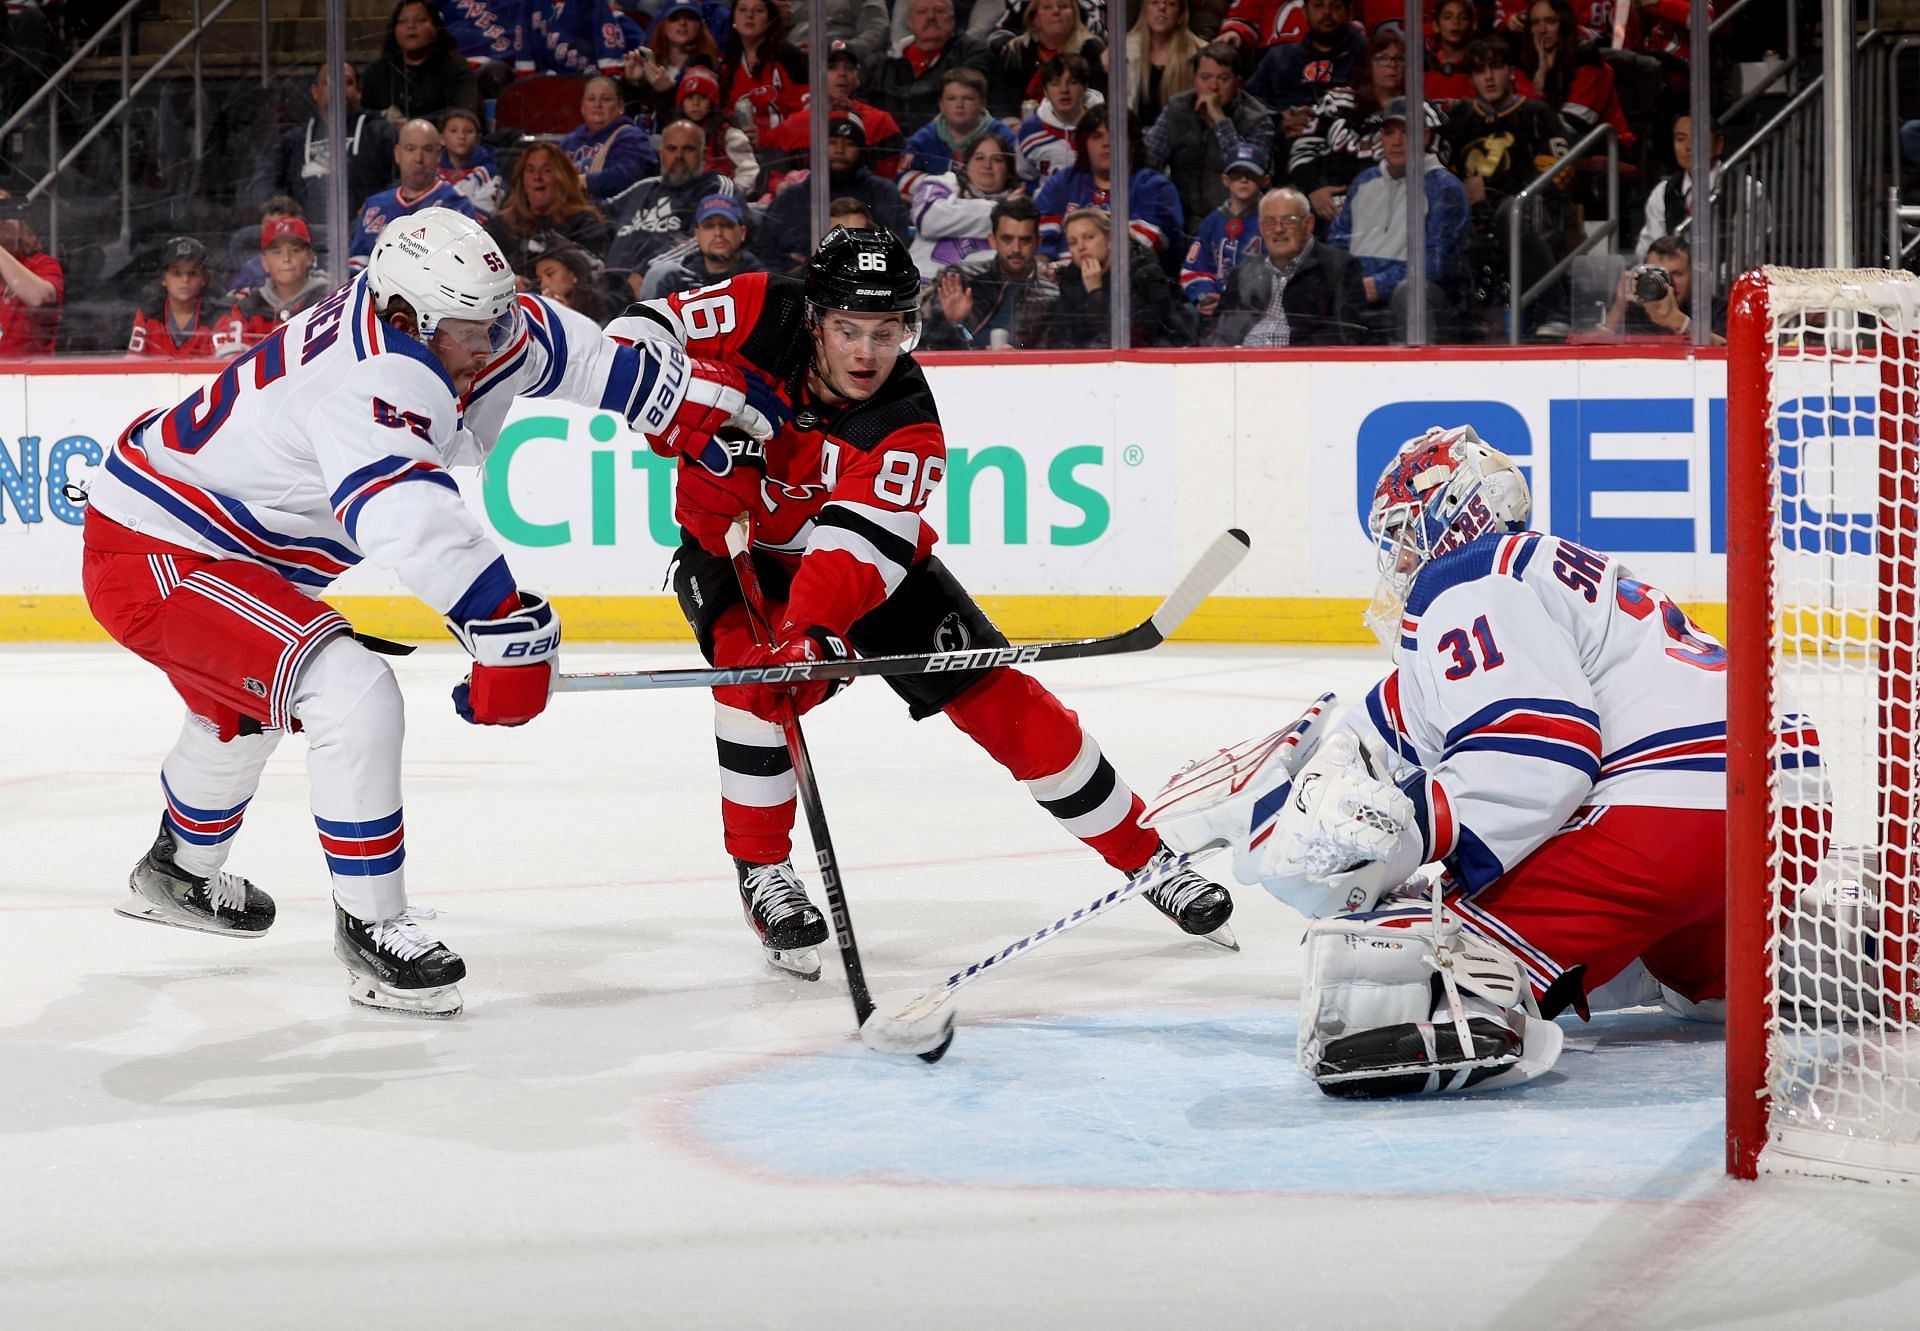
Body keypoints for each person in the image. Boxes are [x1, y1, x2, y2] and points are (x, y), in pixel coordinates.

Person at [80, 207, 772, 1018]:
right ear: (407, 317)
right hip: (155, 549)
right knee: (346, 686)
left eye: (496, 316)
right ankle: (373, 930)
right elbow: (405, 511)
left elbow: (569, 353)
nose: (490, 343)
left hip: (226, 547)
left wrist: (672, 400)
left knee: (245, 707)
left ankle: (177, 872)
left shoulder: (463, 320)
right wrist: (498, 618)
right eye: (470, 329)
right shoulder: (375, 373)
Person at [604, 227, 1235, 975]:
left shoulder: (905, 423)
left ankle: (1149, 859)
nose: (867, 353)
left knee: (1004, 700)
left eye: (886, 332)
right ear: (815, 320)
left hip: (857, 569)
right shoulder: (759, 307)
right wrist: (679, 406)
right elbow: (633, 333)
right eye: (848, 330)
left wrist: (812, 631)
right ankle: (764, 873)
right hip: (733, 556)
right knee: (750, 683)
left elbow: (853, 551)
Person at [1149, 424, 1823, 1097]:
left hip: (1674, 820)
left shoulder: (1466, 579)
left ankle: (1474, 1005)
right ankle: (1814, 956)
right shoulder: (1526, 577)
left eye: (1407, 535)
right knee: (1696, 979)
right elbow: (1384, 736)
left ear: (1455, 517)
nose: (1401, 559)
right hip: (1782, 812)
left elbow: (1538, 758)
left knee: (1391, 948)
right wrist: (1267, 801)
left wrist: (1402, 830)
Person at [1445, 37, 1572, 337]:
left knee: (1509, 213)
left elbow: (1558, 176)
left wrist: (1491, 193)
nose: (1488, 77)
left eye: (1496, 67)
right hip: (1471, 220)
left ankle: (1555, 310)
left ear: (1511, 71)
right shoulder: (1458, 119)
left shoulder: (1537, 115)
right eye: (1479, 70)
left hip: (1527, 218)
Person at [1328, 98, 1469, 340]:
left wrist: (1379, 284)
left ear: (1424, 136)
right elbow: (1338, 243)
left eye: (1407, 132)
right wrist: (1351, 282)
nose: (1396, 141)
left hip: (1426, 297)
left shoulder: (1444, 187)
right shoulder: (1364, 182)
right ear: (1381, 136)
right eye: (1389, 132)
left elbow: (1438, 263)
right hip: (1361, 292)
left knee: (1410, 291)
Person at [1290, 28, 1446, 228]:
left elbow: (1435, 165)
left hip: (1395, 210)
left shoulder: (1422, 111)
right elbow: (1302, 149)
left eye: (1399, 58)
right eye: (1382, 58)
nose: (1392, 64)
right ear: (1368, 64)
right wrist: (1313, 190)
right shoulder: (1338, 102)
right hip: (1330, 206)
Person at [1143, 42, 1274, 236]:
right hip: (1178, 225)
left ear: (1238, 83)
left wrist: (1221, 121)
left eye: (1223, 79)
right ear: (1194, 79)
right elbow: (1148, 160)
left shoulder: (1259, 121)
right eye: (1206, 78)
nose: (1213, 87)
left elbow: (1248, 174)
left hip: (1236, 229)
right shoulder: (1177, 109)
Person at [1208, 186, 1364, 345]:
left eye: (1289, 220)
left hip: (1302, 365)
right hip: (1239, 364)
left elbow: (1345, 335)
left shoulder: (1339, 267)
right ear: (1261, 228)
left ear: (1308, 224)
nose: (1278, 229)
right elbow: (1218, 332)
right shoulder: (1243, 272)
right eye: (1269, 222)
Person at [1034, 103, 1185, 265]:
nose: (1107, 143)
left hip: (1130, 283)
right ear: (1084, 144)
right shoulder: (1064, 181)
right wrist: (1042, 268)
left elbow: (1144, 245)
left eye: (1115, 135)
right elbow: (1036, 239)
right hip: (1057, 282)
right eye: (1097, 136)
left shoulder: (1155, 188)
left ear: (1132, 142)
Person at [605, 119, 739, 297]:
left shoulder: (714, 187)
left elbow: (706, 239)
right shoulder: (644, 188)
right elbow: (598, 217)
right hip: (609, 280)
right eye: (671, 149)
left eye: (688, 149)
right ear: (661, 153)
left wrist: (645, 269)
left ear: (703, 154)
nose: (678, 156)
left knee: (659, 274)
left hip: (659, 282)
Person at [761, 111, 911, 268]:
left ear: (862, 152)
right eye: (832, 142)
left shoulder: (883, 193)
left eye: (849, 144)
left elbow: (897, 252)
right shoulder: (791, 198)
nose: (840, 150)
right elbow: (765, 252)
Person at [250, 64, 399, 217]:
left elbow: (403, 179)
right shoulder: (294, 140)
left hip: (365, 229)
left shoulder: (381, 133)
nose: (338, 89)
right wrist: (282, 210)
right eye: (330, 82)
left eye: (347, 83)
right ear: (315, 92)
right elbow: (263, 181)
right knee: (243, 238)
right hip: (303, 233)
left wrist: (378, 205)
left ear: (358, 92)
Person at [1042, 206, 1195, 348]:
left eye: (1089, 237)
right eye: (1073, 242)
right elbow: (1059, 339)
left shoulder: (1143, 274)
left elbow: (1131, 338)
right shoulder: (1071, 279)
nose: (1081, 247)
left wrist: (1095, 292)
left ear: (1110, 240)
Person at [920, 196, 1059, 349]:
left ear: (1038, 242)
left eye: (1025, 240)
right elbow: (922, 341)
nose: (1016, 249)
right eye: (1007, 239)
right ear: (993, 240)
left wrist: (1020, 360)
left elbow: (1054, 359)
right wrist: (951, 322)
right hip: (961, 369)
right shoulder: (960, 278)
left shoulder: (1051, 296)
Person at [762, 41, 906, 183]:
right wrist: (781, 186)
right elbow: (775, 179)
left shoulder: (881, 123)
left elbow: (891, 181)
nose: (842, 74)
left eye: (849, 68)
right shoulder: (793, 126)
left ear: (858, 77)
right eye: (832, 67)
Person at [349, 118, 480, 268]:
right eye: (411, 149)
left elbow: (465, 267)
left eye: (427, 150)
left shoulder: (455, 205)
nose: (418, 159)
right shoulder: (375, 205)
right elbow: (356, 264)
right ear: (398, 154)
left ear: (438, 155)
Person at [485, 143, 614, 283]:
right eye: (530, 170)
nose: (537, 177)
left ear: (562, 178)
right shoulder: (502, 225)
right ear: (521, 180)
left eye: (546, 170)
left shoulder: (585, 223)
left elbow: (592, 275)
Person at [1246, 0, 1367, 146]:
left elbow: (1382, 112)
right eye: (1318, 5)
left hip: (1345, 147)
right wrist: (1278, 119)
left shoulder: (1369, 56)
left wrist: (1325, 125)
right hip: (1283, 146)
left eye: (1335, 6)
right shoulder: (1280, 57)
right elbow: (1246, 105)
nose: (1327, 12)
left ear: (1349, 13)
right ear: (1304, 12)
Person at [865, 0, 993, 135]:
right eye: (922, 11)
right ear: (910, 21)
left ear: (952, 20)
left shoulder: (973, 54)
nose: (931, 16)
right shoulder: (883, 64)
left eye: (940, 11)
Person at [909, 133, 1026, 279]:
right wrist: (1000, 211)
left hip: (979, 292)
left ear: (1008, 171)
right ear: (965, 165)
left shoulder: (1021, 204)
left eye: (997, 160)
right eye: (979, 158)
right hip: (923, 283)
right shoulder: (942, 183)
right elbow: (928, 220)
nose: (987, 165)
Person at [1522, 0, 1632, 152]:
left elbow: (1575, 123)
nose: (1542, 29)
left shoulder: (1587, 57)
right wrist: (1540, 79)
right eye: (1535, 22)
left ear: (1564, 24)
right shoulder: (1531, 61)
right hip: (1557, 140)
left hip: (1603, 143)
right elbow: (1522, 116)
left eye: (1550, 21)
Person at [900, 67, 1019, 196]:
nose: (959, 105)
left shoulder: (1004, 136)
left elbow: (1020, 179)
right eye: (951, 98)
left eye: (968, 98)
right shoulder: (924, 139)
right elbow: (902, 177)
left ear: (983, 102)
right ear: (941, 104)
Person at [1179, 143, 1268, 316]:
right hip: (1216, 309)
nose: (1244, 179)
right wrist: (1205, 296)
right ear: (1225, 180)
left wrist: (1231, 301)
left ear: (1265, 180)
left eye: (1251, 174)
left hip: (1256, 309)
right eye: (1236, 174)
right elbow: (1195, 268)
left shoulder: (1272, 220)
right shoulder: (1212, 222)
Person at [217, 216, 332, 349]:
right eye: (277, 252)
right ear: (264, 263)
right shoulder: (248, 309)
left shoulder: (329, 300)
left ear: (310, 258)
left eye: (295, 250)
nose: (286, 258)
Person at [360, 0, 481, 123]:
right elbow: (363, 114)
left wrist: (412, 124)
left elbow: (463, 112)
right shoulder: (376, 71)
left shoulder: (455, 67)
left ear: (436, 28)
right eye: (402, 21)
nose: (411, 26)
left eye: (420, 20)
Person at [990, 0, 1107, 118]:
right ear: (1034, 19)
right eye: (1047, 7)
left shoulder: (1090, 49)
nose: (1056, 11)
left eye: (1063, 6)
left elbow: (1101, 99)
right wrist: (1011, 123)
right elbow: (1000, 98)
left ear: (1074, 16)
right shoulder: (1016, 50)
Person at [640, 193, 768, 298]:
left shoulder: (763, 283)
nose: (718, 233)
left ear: (742, 233)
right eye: (709, 226)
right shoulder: (674, 283)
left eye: (727, 225)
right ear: (697, 235)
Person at [1601, 234, 1724, 342]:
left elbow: (1730, 350)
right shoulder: (1632, 309)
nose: (1668, 282)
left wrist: (1681, 322)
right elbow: (1592, 352)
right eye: (1658, 274)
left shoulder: (1715, 309)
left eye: (1677, 274)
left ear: (1694, 276)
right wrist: (1618, 309)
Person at [561, 75, 660, 205]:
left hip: (615, 217)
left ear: (620, 107)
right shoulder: (567, 142)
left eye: (606, 99)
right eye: (591, 99)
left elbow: (626, 177)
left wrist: (580, 182)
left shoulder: (631, 137)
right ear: (582, 107)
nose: (597, 105)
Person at [620, 0, 725, 122]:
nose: (682, 23)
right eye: (675, 18)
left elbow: (698, 119)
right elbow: (631, 115)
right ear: (664, 26)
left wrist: (666, 92)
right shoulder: (651, 63)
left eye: (690, 18)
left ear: (700, 26)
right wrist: (632, 84)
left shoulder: (709, 67)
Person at [128, 237, 232, 358]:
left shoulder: (219, 317)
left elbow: (224, 366)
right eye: (176, 273)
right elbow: (133, 363)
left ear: (203, 279)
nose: (185, 280)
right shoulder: (147, 316)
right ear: (163, 279)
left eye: (192, 273)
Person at [721, 0, 810, 141]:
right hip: (746, 153)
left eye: (758, 10)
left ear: (769, 20)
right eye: (743, 10)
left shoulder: (788, 57)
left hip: (790, 152)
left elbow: (809, 115)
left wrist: (767, 137)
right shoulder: (729, 64)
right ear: (733, 19)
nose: (749, 15)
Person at [670, 64, 761, 192]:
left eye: (702, 98)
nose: (696, 104)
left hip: (722, 200)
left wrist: (733, 193)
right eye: (690, 98)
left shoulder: (728, 134)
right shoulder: (674, 135)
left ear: (712, 102)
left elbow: (748, 170)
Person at [1016, 52, 1101, 187]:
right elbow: (1027, 177)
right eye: (1055, 84)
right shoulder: (1030, 131)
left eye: (1072, 82)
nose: (1064, 90)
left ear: (1084, 87)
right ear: (1045, 91)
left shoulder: (1103, 127)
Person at [0, 190, 63, 357]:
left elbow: (38, 298)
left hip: (31, 377)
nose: (4, 220)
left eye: (8, 212)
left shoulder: (43, 265)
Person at [1123, 0, 1203, 130]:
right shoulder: (1123, 52)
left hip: (1180, 139)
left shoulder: (1199, 54)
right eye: (1154, 2)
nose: (1162, 7)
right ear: (1145, 11)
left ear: (1181, 15)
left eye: (1171, 3)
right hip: (1134, 141)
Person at [437, 105, 502, 216]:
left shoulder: (489, 174)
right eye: (454, 131)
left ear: (478, 139)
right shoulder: (432, 173)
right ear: (441, 138)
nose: (461, 136)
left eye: (469, 131)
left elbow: (485, 214)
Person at [533, 240, 616, 323]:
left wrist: (568, 315)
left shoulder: (603, 304)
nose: (543, 284)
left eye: (550, 274)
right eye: (540, 279)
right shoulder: (541, 311)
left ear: (574, 275)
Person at [1424, 0, 1481, 106]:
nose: (1456, 22)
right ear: (1436, 25)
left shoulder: (1480, 65)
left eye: (1463, 17)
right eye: (1448, 17)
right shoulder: (1424, 65)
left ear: (1471, 26)